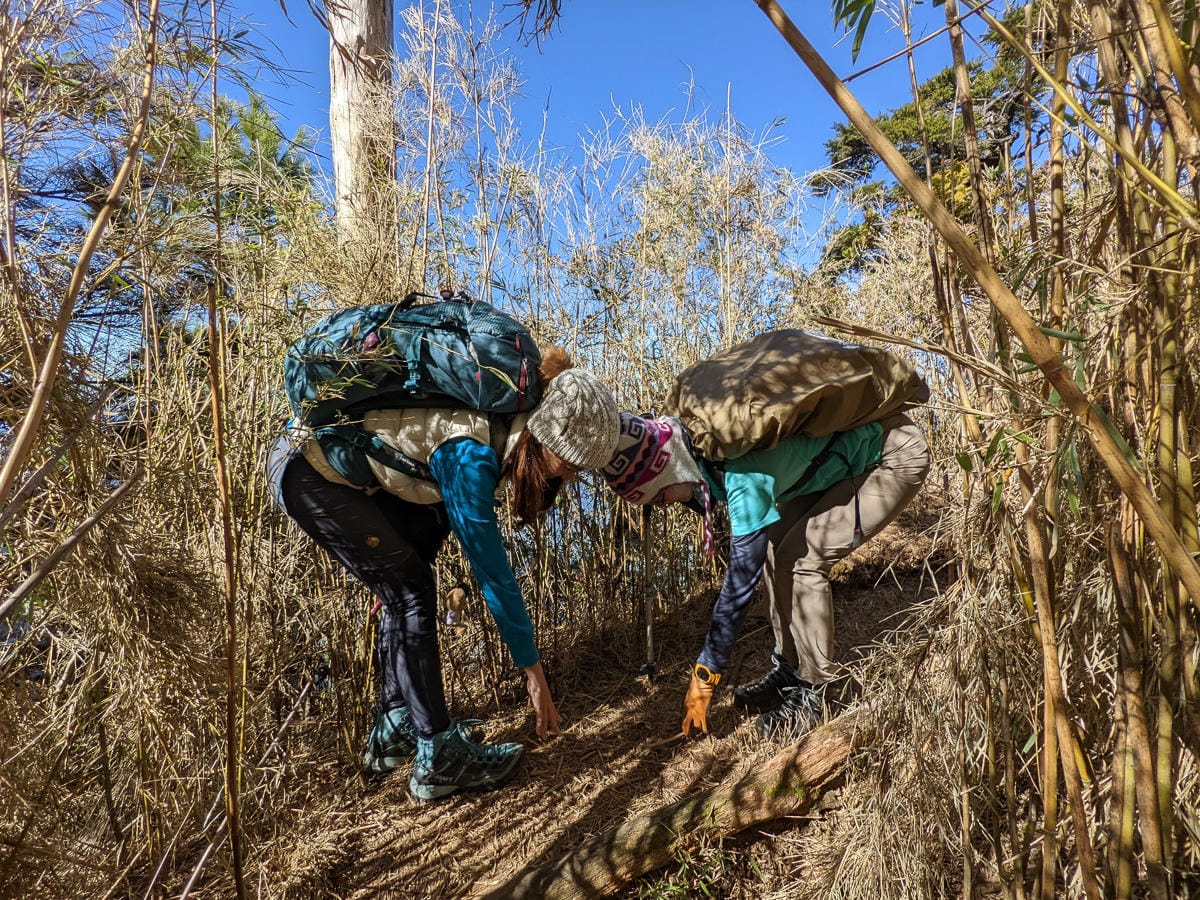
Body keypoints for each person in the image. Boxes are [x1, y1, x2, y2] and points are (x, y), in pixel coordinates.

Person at [267, 349, 620, 800]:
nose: (566, 481)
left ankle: (396, 729)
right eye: (567, 467)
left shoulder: (498, 431)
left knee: (407, 585)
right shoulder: (471, 458)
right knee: (411, 592)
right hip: (307, 470)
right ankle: (439, 756)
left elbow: (429, 526)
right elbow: (494, 576)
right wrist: (534, 671)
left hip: (322, 468)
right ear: (545, 439)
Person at [571, 401, 929, 740]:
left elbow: (742, 578)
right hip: (844, 457)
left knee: (802, 563)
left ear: (668, 472)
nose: (665, 507)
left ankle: (816, 694)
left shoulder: (740, 474)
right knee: (776, 549)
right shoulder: (695, 449)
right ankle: (790, 671)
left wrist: (706, 673)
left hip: (889, 454)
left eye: (660, 498)